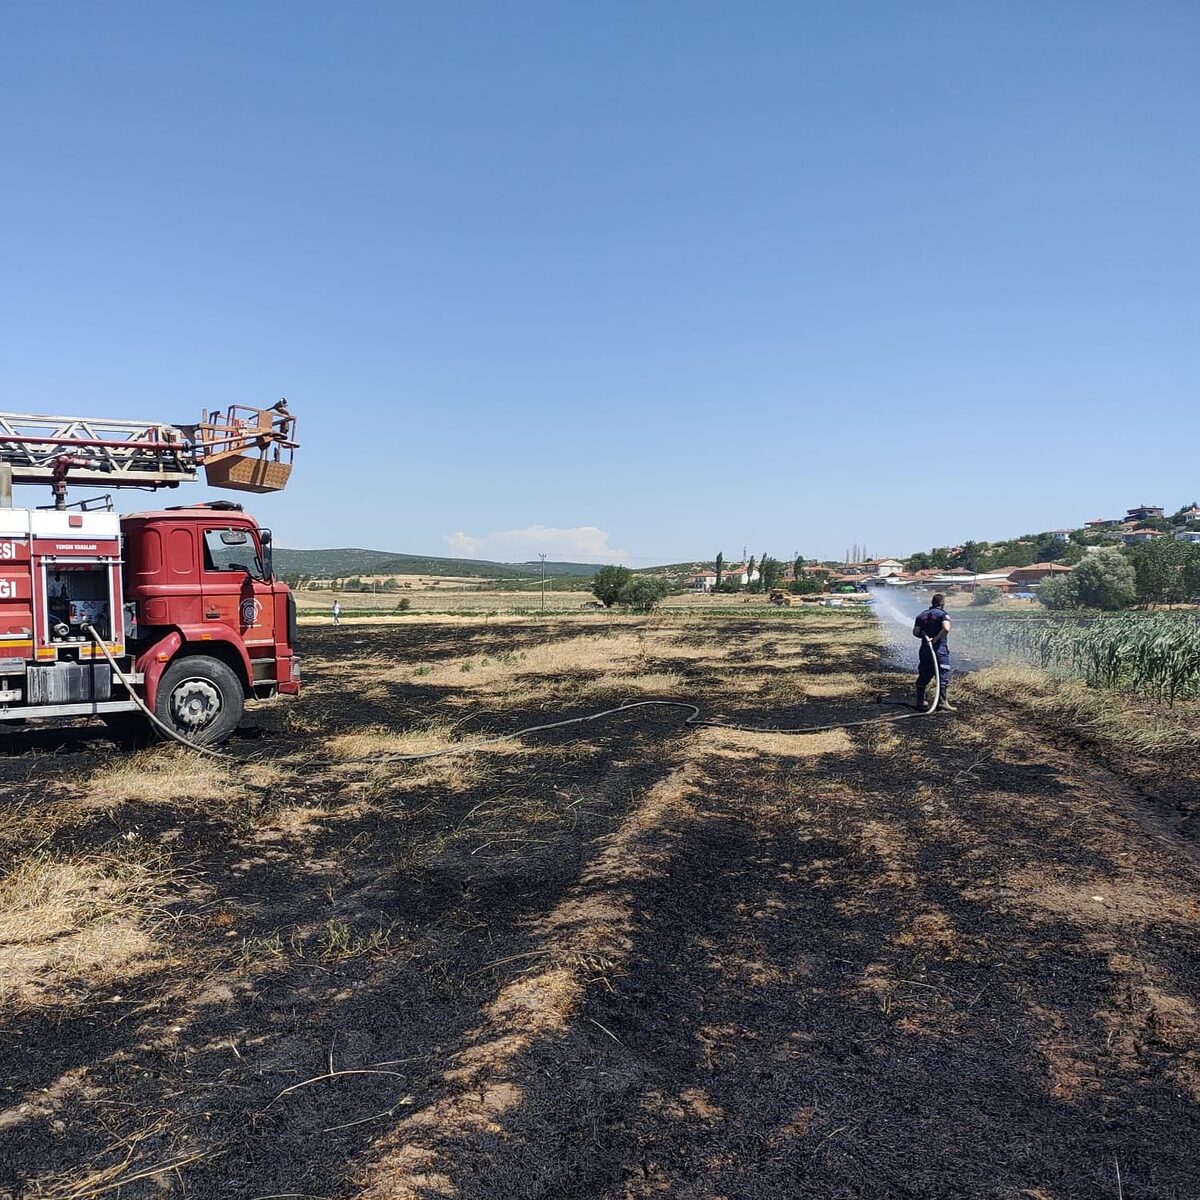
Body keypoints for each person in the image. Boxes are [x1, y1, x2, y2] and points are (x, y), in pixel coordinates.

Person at [912, 592, 955, 712]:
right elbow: (946, 628)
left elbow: (915, 632)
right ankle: (941, 702)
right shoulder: (943, 615)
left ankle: (920, 702)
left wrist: (926, 636)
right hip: (939, 650)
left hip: (925, 650)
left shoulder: (922, 615)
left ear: (932, 603)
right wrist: (936, 638)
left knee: (924, 674)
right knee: (942, 674)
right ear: (943, 604)